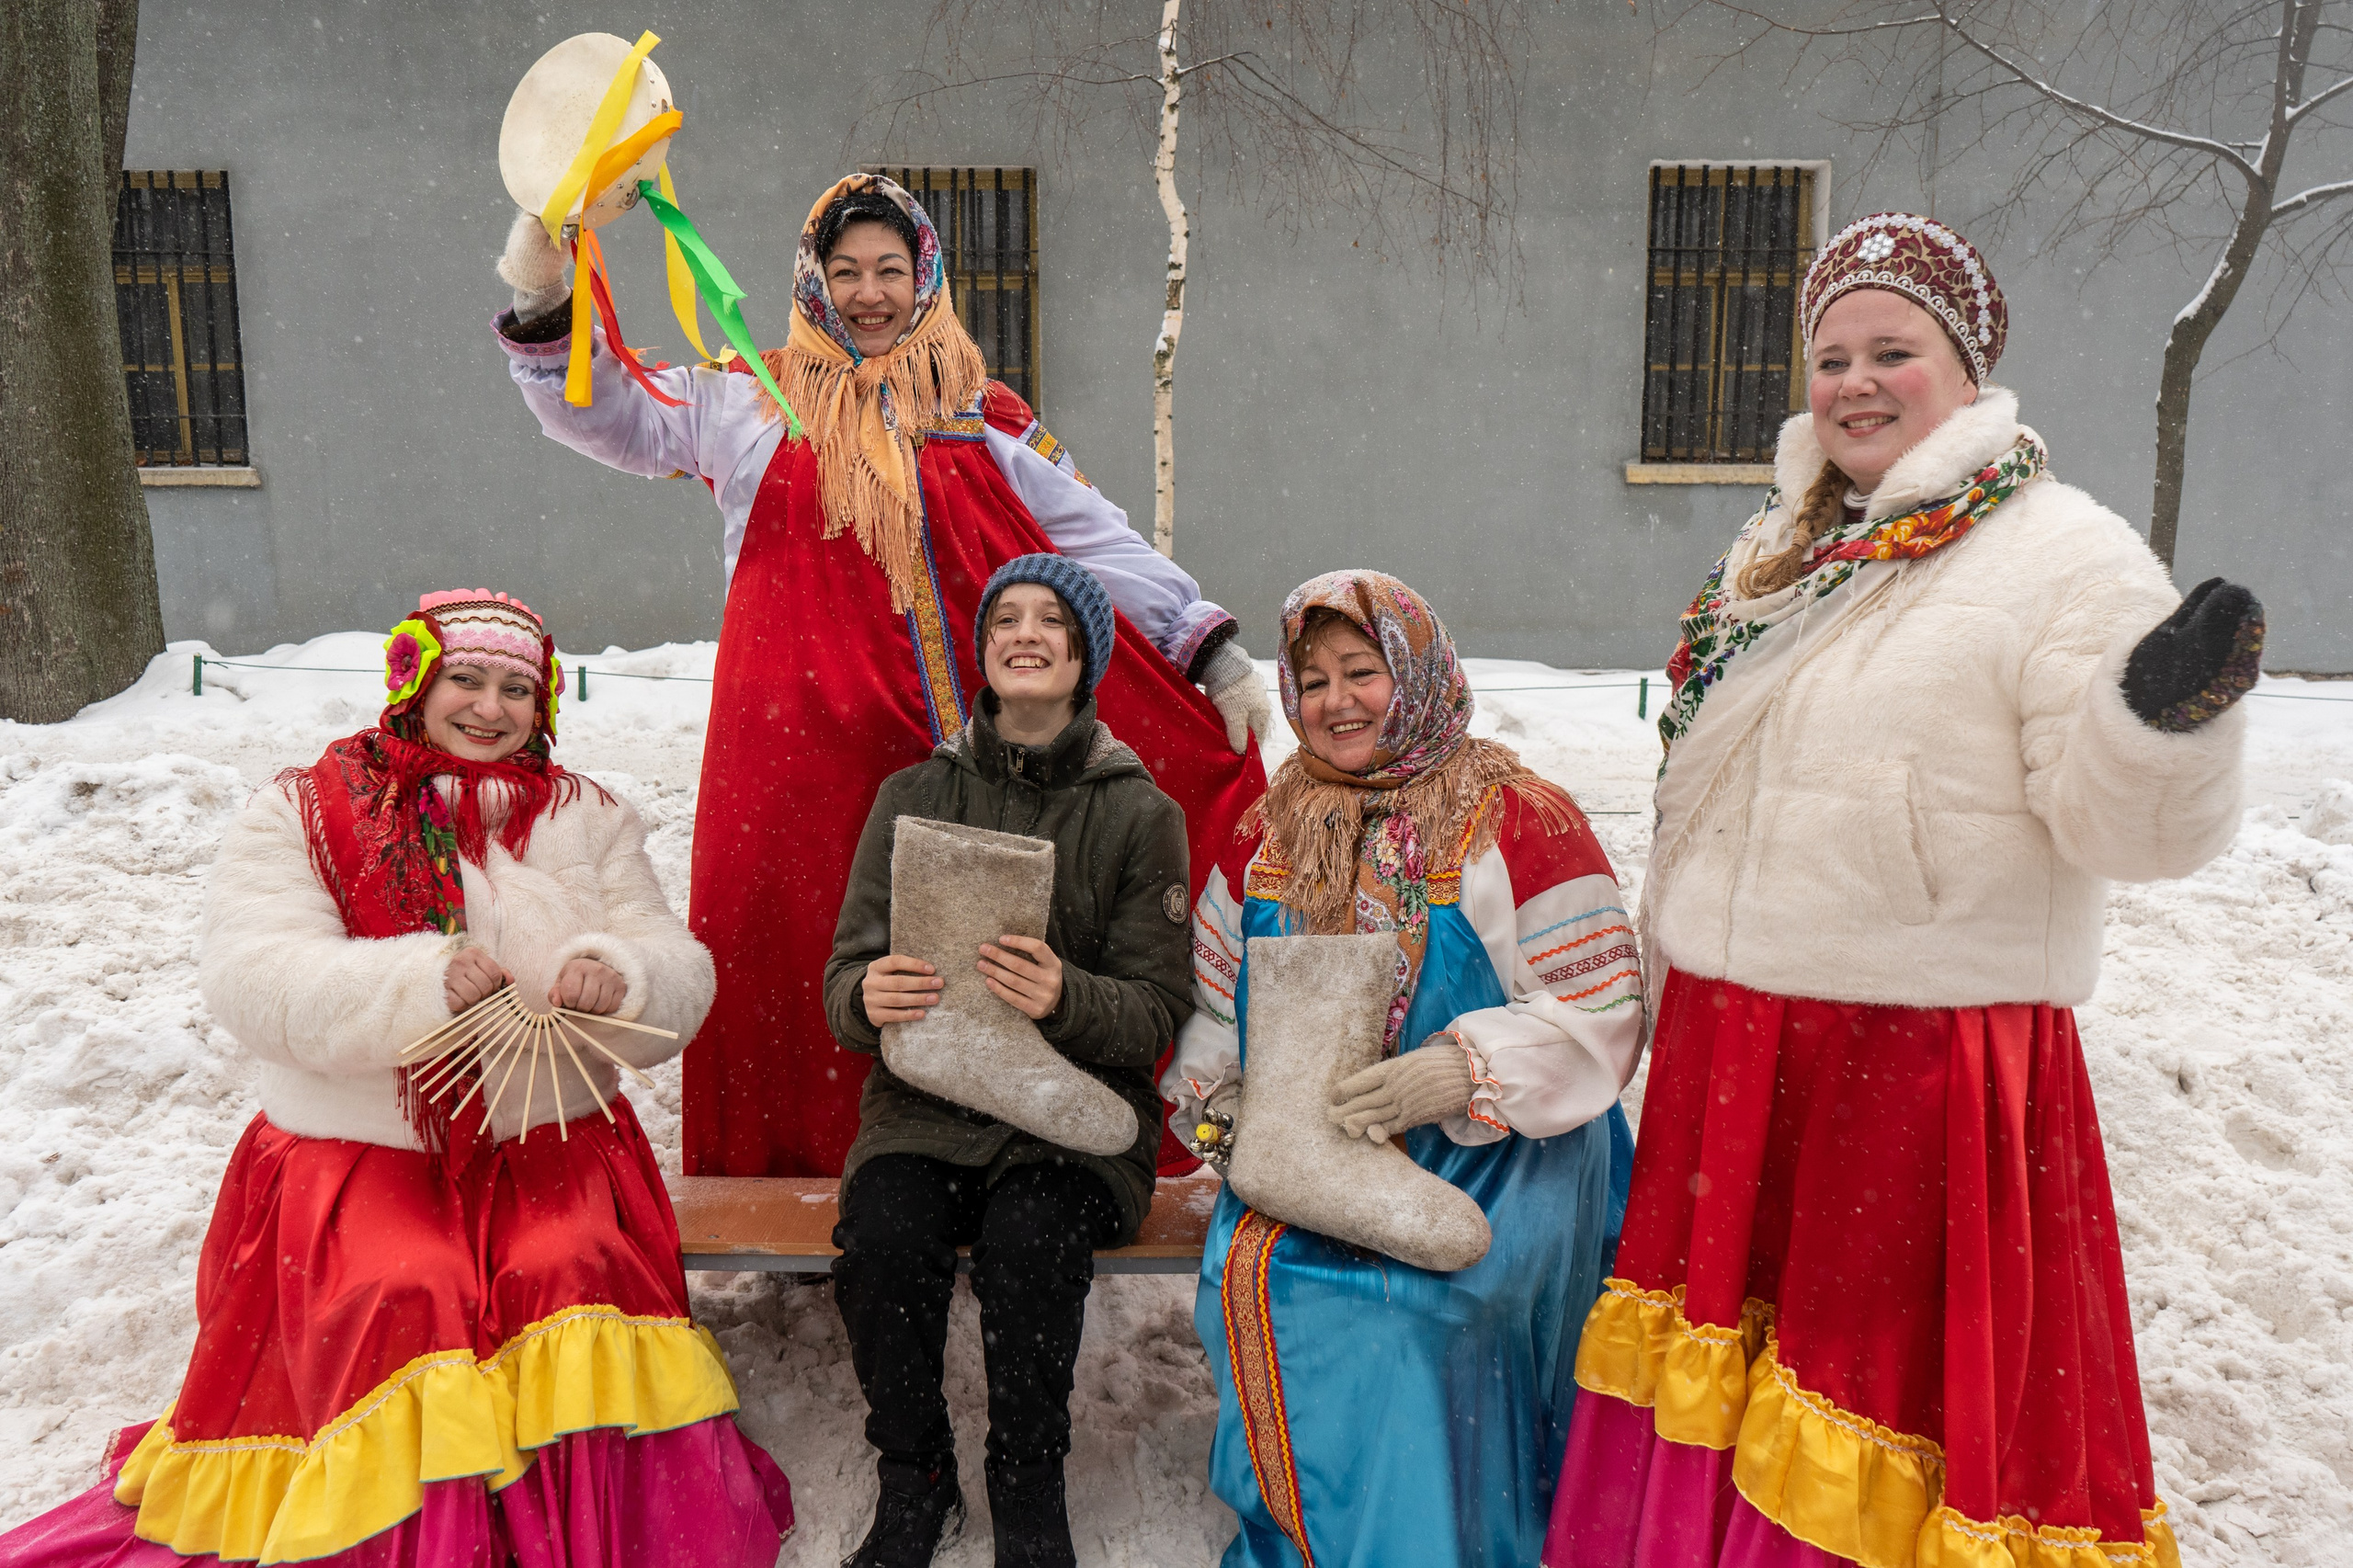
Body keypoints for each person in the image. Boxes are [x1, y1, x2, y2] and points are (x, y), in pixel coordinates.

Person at [1545, 216, 2258, 1568]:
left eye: (1893, 351)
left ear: (1966, 368)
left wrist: (2169, 721)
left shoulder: (2066, 557)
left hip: (1912, 1058)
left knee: (1868, 1390)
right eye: (1831, 356)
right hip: (1738, 1039)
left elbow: (2127, 824)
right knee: (1729, 1372)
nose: (1856, 382)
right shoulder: (1781, 549)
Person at [493, 173, 1269, 1179]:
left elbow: (1090, 537)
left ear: (926, 277)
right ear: (813, 281)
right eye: (845, 270)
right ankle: (794, 1175)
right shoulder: (749, 399)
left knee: (958, 961)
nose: (869, 293)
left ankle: (973, 1169)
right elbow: (604, 414)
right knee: (793, 949)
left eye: (890, 271)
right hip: (788, 750)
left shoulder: (981, 411)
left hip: (939, 757)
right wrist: (547, 285)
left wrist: (1204, 642)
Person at [0, 590, 793, 1568]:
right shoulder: (302, 807)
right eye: (466, 679)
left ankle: (571, 1533)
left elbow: (678, 964)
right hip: (360, 1156)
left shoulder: (589, 815)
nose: (490, 709)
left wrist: (622, 973)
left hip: (550, 1144)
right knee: (403, 1289)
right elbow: (254, 979)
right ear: (415, 680)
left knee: (569, 1268)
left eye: (517, 688)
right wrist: (420, 980)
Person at [1163, 570, 1643, 1568]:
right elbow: (1213, 1004)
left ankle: (1451, 1542)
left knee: (1424, 1313)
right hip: (1314, 1146)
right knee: (1257, 1279)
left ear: (1416, 673)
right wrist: (1225, 1102)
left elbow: (1600, 1015)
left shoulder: (1516, 815)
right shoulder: (1266, 828)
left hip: (1509, 1153)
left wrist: (1456, 1072)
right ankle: (1311, 1542)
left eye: (1362, 671)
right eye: (1313, 678)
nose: (1335, 700)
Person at [820, 554, 1193, 1568]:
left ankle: (1028, 1482)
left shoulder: (1138, 813)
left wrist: (1066, 996)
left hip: (1072, 1120)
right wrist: (867, 995)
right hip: (925, 1106)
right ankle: (916, 1476)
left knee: (1033, 1244)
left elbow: (1160, 1005)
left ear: (1083, 657)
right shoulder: (914, 792)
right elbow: (843, 975)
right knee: (887, 1236)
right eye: (1004, 621)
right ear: (983, 651)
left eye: (1051, 623)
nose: (1025, 635)